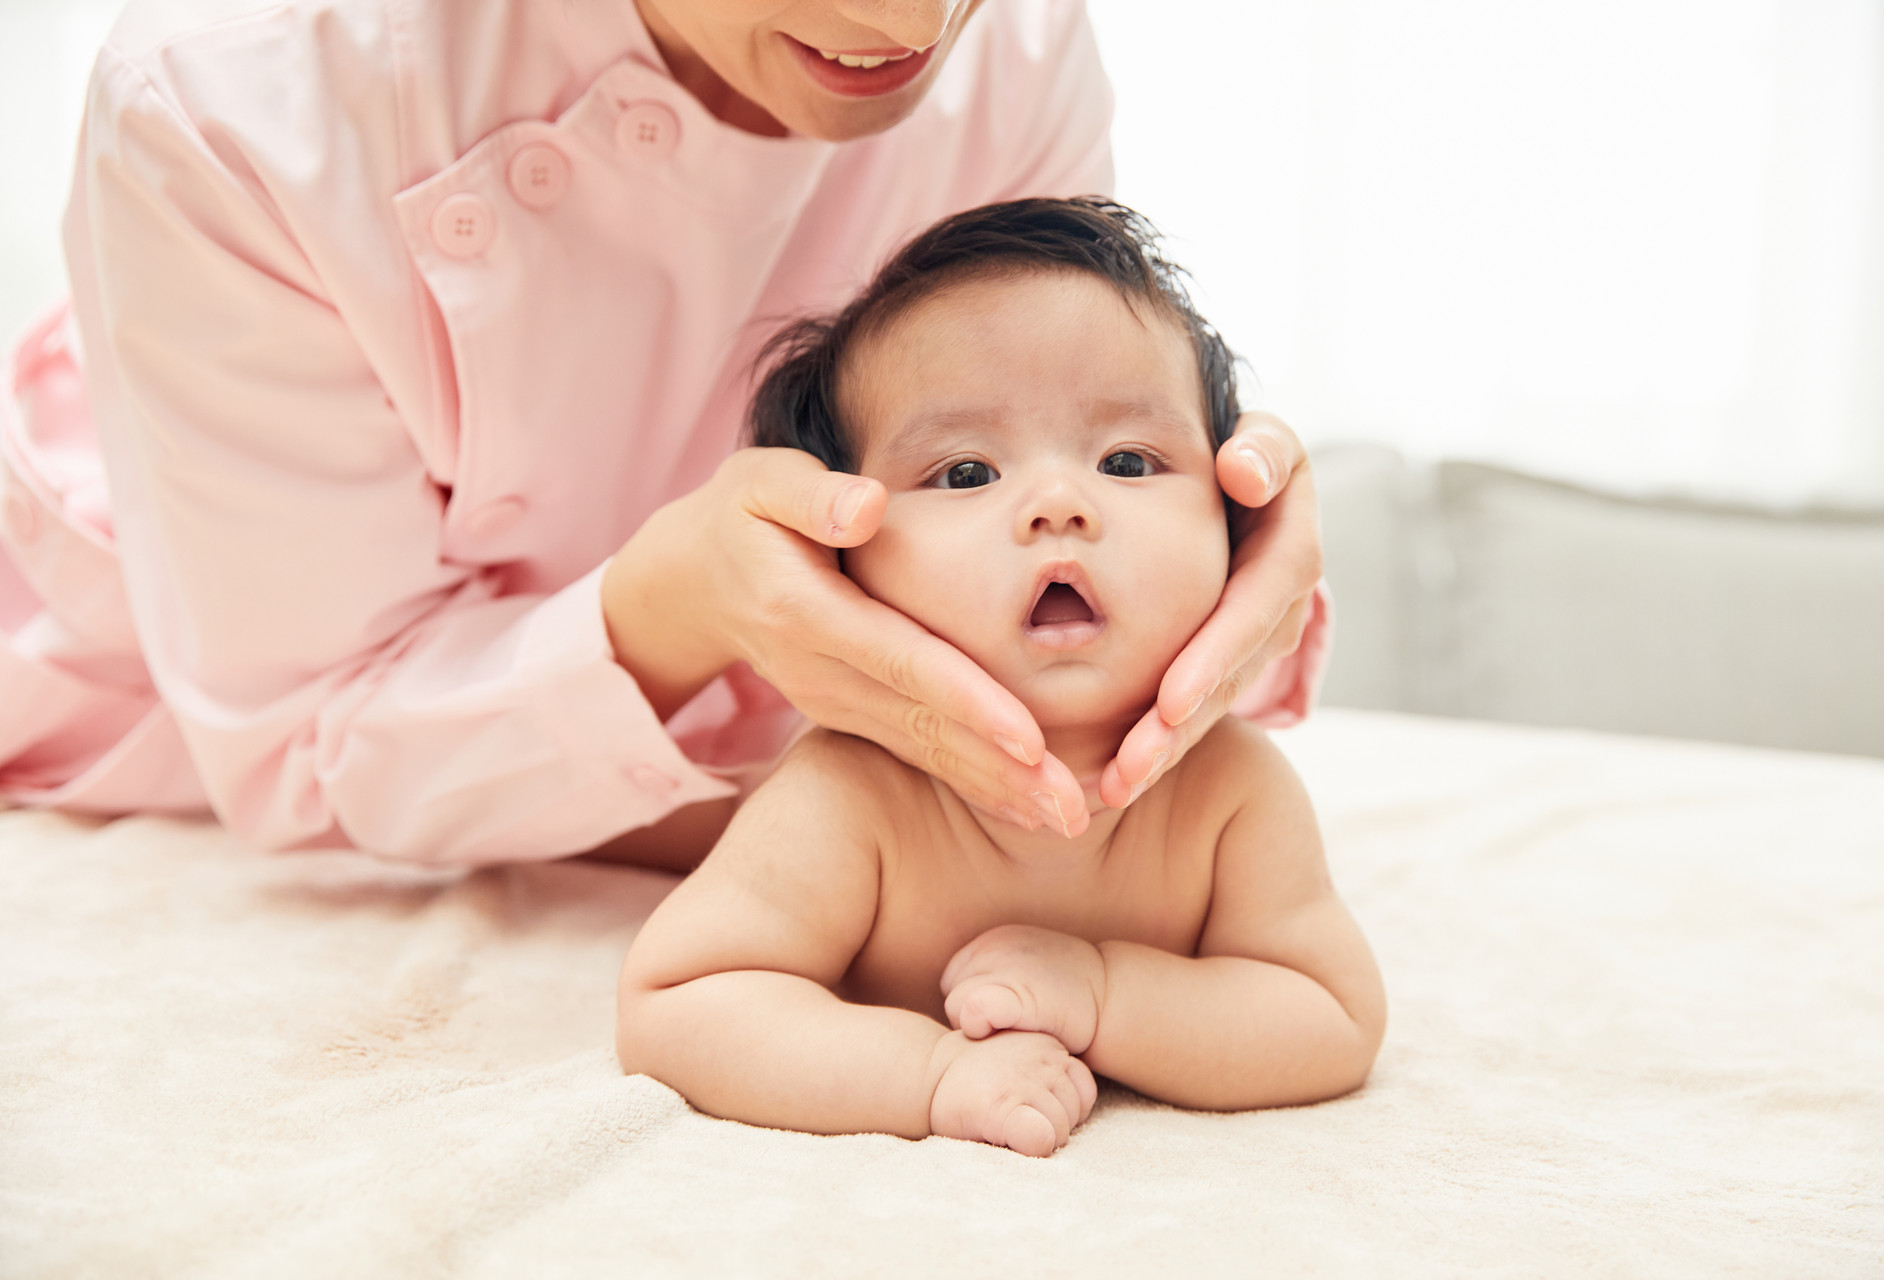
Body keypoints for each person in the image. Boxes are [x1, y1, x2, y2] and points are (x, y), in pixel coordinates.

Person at [0, 0, 1328, 868]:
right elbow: (312, 739)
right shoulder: (229, 97)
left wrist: (1209, 536)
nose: (904, 22)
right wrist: (677, 610)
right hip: (185, 654)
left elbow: (1045, 464)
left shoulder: (1017, 53)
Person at [617, 198, 1382, 1156]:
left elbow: (1330, 1016)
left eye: (1129, 460)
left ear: (1239, 529)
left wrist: (1104, 995)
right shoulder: (853, 794)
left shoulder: (1230, 791)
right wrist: (929, 1076)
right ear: (832, 564)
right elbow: (680, 999)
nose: (1059, 503)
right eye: (968, 473)